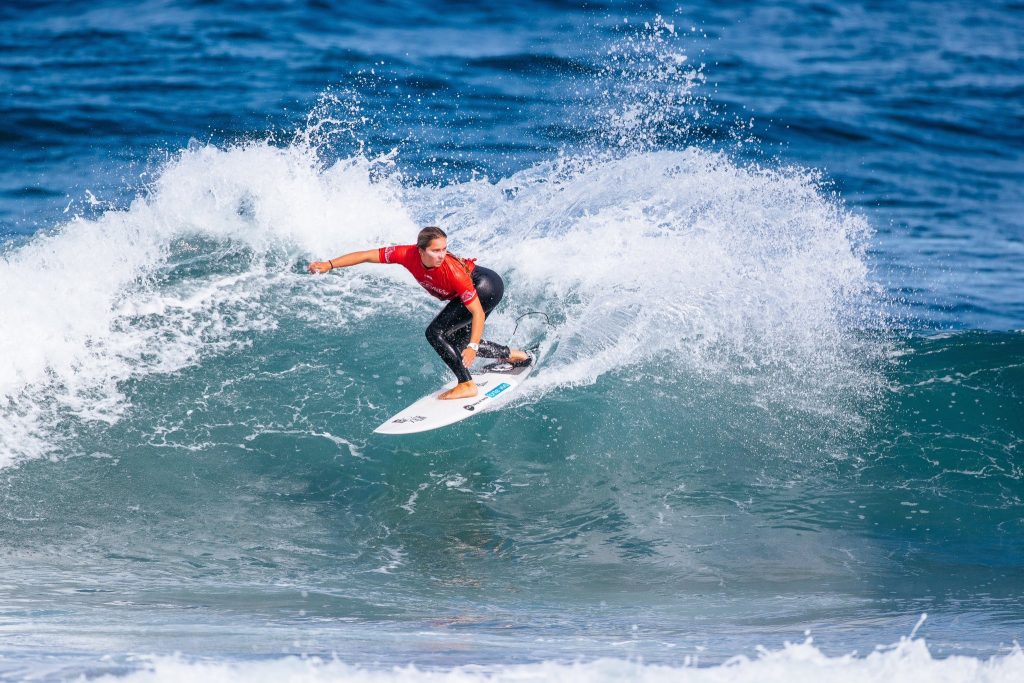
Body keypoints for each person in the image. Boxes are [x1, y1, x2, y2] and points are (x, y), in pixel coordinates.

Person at [308, 226, 529, 400]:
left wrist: (473, 347)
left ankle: (466, 384)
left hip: (486, 287)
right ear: (420, 250)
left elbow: (477, 313)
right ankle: (515, 355)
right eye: (435, 250)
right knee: (456, 341)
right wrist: (329, 264)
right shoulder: (405, 254)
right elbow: (367, 255)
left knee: (436, 333)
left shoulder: (453, 271)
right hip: (479, 287)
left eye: (444, 249)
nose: (442, 255)